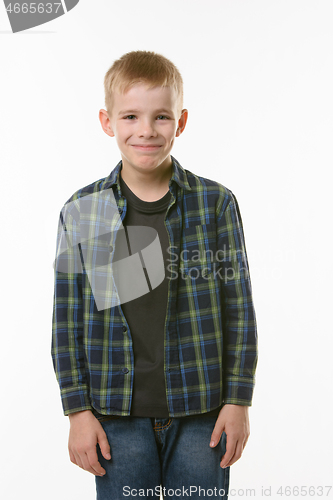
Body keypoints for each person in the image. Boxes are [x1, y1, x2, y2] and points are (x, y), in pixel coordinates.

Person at [51, 50, 258, 500]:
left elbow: (238, 308)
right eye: (130, 116)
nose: (146, 130)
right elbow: (66, 321)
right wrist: (77, 411)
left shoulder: (214, 204)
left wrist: (239, 400)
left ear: (180, 122)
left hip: (203, 411)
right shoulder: (84, 211)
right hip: (114, 416)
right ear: (108, 122)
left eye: (161, 117)